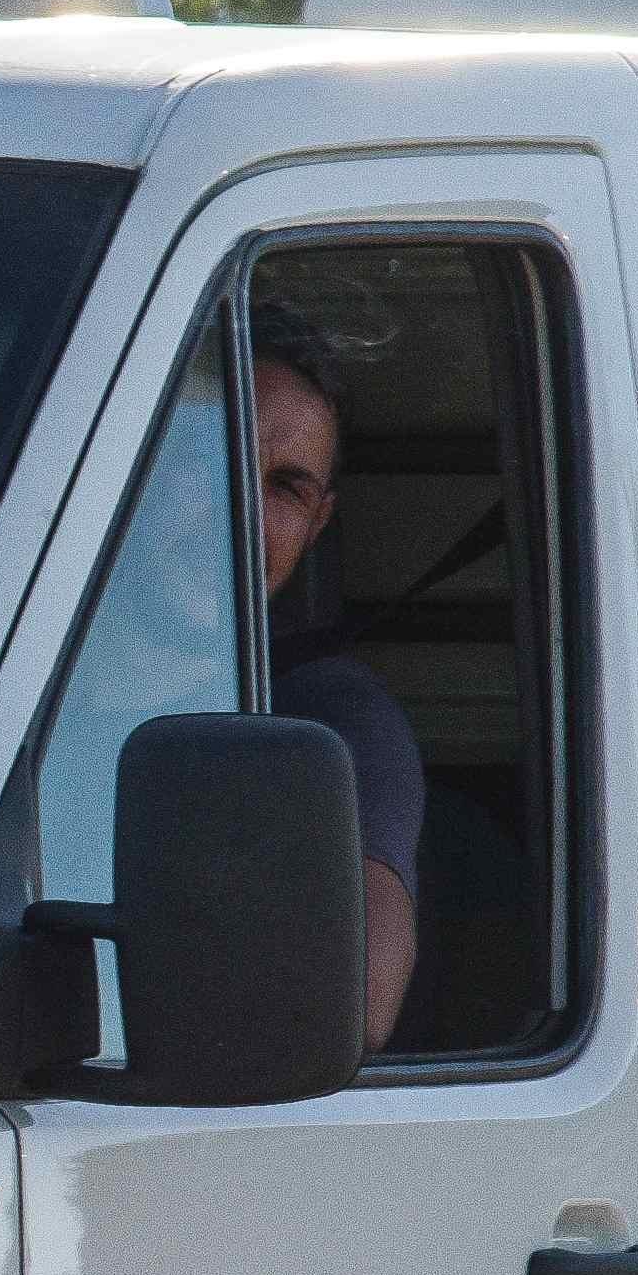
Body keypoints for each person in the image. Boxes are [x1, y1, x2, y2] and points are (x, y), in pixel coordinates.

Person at [251, 343, 427, 1045]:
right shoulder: (13, 663)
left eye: (285, 488)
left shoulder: (330, 719)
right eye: (211, 459)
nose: (242, 508)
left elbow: (350, 1006)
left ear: (318, 523)